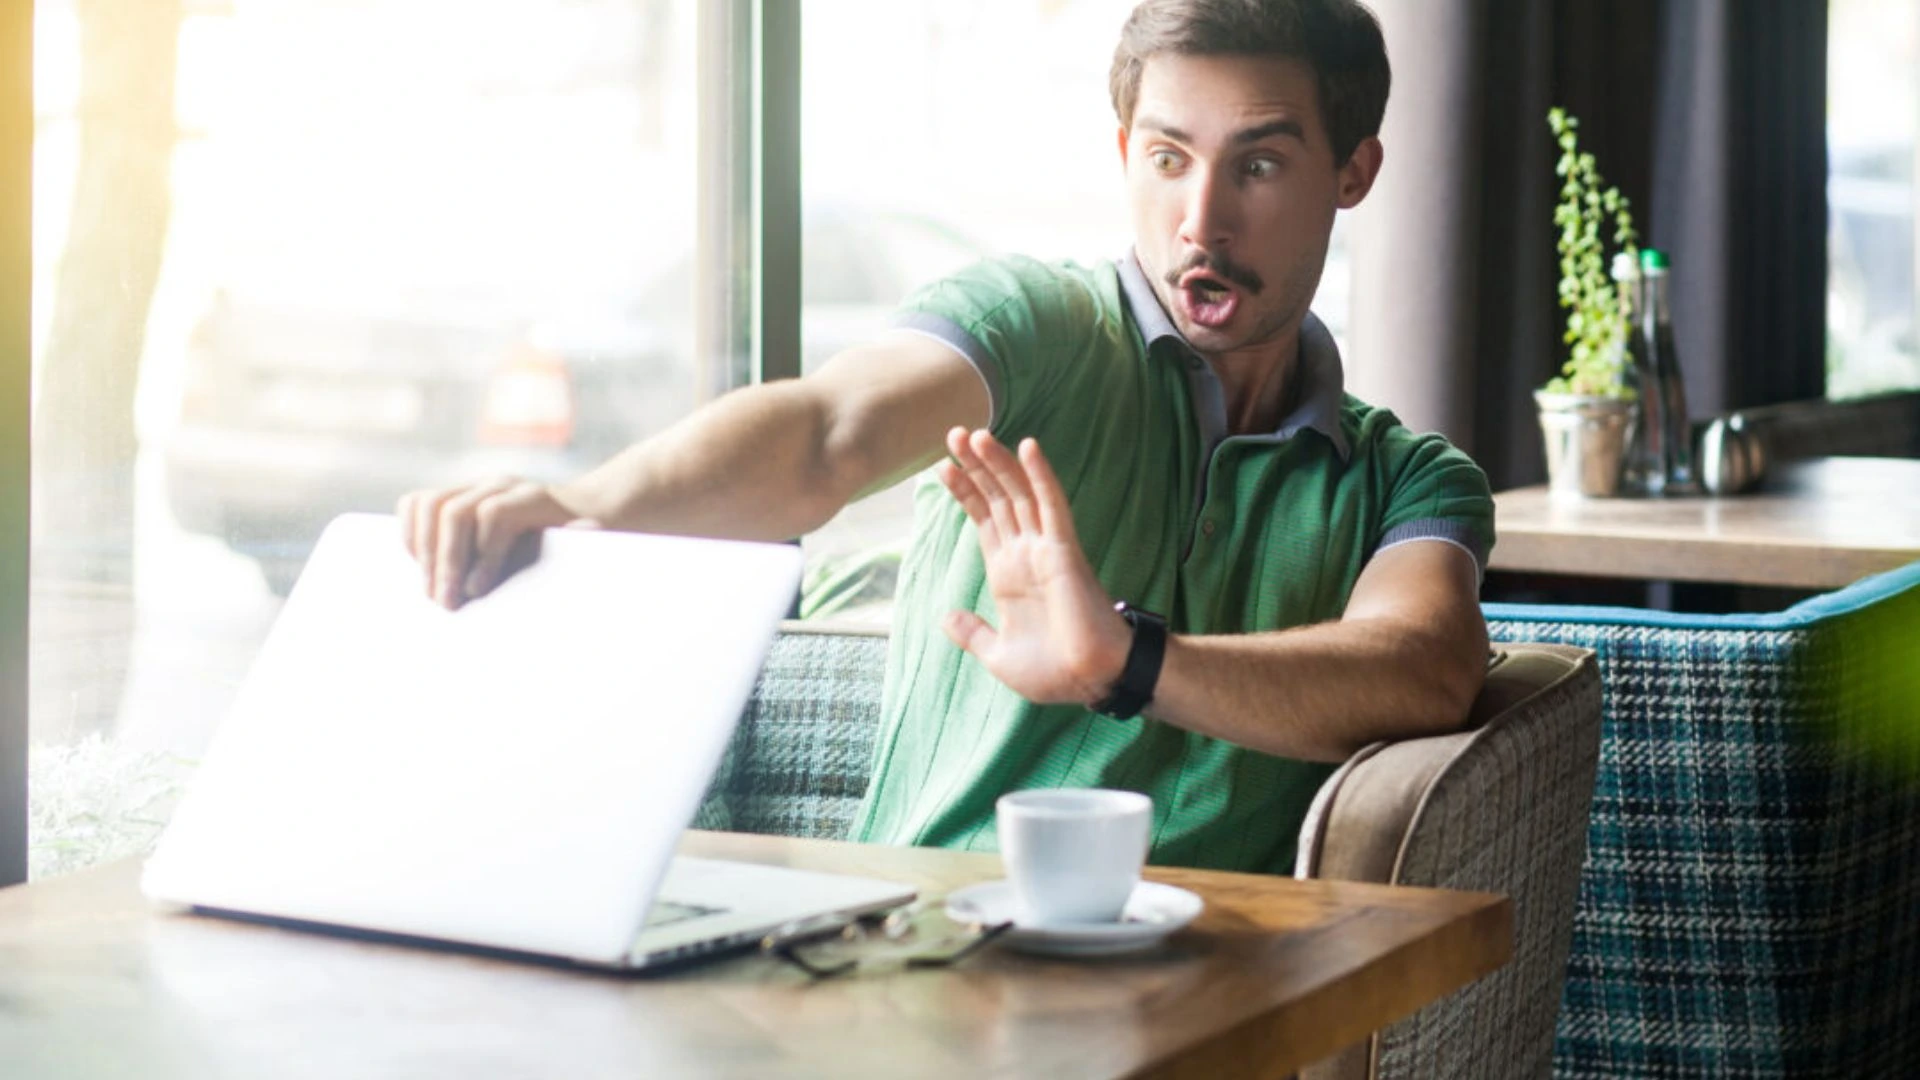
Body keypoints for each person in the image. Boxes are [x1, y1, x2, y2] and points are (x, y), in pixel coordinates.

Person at [398, 0, 1492, 875]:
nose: (1201, 219)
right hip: (913, 956)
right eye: (1167, 158)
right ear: (1124, 151)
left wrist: (1124, 662)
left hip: (1222, 996)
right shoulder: (1042, 324)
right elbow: (828, 432)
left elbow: (1424, 668)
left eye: (1257, 165)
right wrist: (590, 507)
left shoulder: (1406, 477)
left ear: (1354, 173)